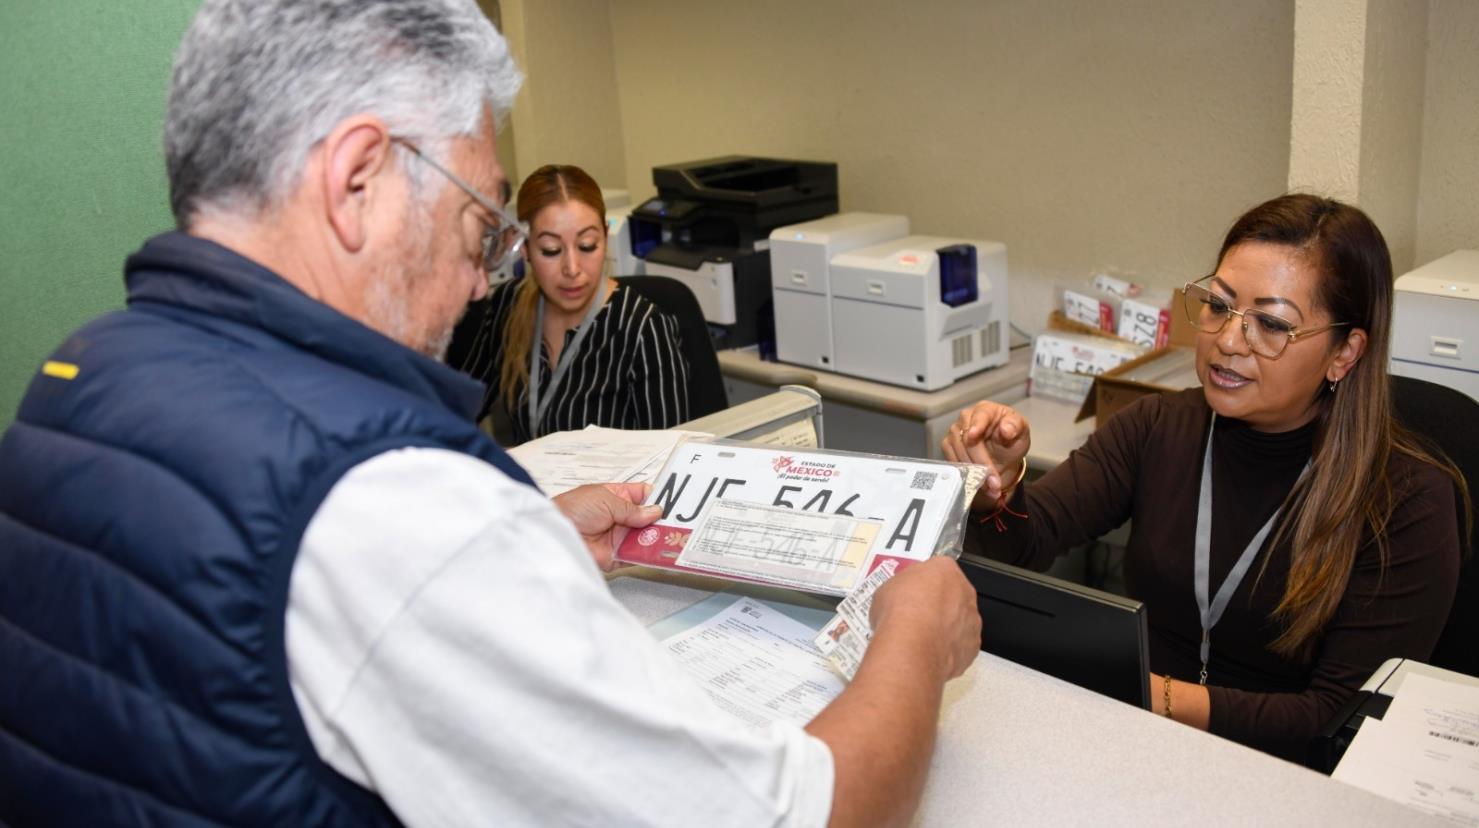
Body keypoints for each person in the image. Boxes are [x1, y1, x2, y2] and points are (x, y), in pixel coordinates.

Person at [0, 2, 982, 826]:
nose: (484, 282)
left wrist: (525, 540)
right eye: (482, 226)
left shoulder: (83, 370)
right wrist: (917, 633)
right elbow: (791, 814)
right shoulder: (393, 503)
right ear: (357, 183)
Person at [943, 194, 1468, 761]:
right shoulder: (1157, 426)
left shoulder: (1408, 499)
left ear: (1344, 353)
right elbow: (1026, 541)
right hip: (1138, 736)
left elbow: (1335, 720)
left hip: (1286, 775)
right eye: (1218, 305)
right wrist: (996, 489)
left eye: (1270, 324)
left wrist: (1139, 692)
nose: (1228, 340)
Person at [451, 164, 689, 443]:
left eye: (587, 245)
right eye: (551, 250)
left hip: (613, 487)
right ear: (525, 249)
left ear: (604, 237)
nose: (573, 269)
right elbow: (456, 411)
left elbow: (669, 458)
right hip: (535, 485)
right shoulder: (509, 304)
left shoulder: (641, 327)